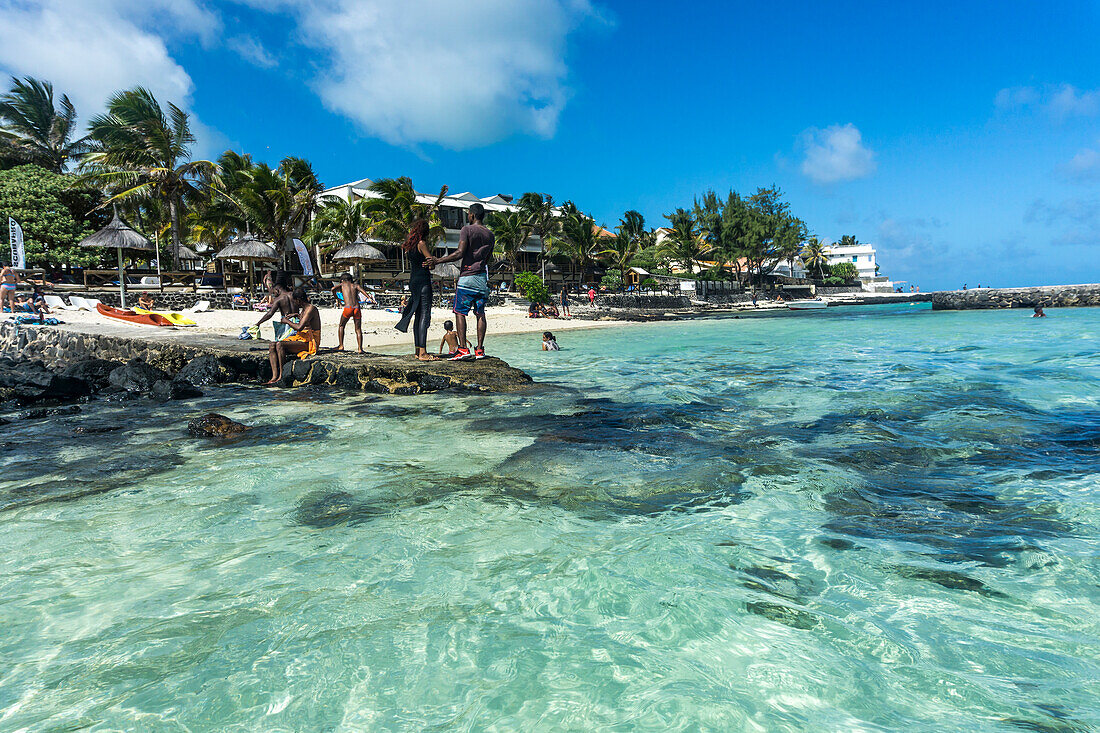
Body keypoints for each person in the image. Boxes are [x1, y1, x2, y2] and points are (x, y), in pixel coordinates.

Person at [425, 203, 493, 360]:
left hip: (467, 277)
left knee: (460, 312)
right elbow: (487, 259)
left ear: (472, 215)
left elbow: (460, 253)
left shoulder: (467, 230)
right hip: (482, 278)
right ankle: (480, 350)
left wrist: (439, 260)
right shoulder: (490, 234)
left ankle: (463, 349)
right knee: (480, 314)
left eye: (468, 214)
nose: (468, 216)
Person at [394, 219, 436, 361]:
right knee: (424, 315)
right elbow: (431, 263)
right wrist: (432, 262)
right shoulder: (421, 244)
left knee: (417, 316)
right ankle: (423, 353)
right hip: (423, 281)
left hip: (413, 280)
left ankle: (418, 350)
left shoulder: (410, 247)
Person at [265, 288, 320, 385]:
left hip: (310, 342)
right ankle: (274, 376)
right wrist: (296, 315)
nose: (294, 303)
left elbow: (299, 327)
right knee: (272, 345)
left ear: (298, 300)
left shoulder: (311, 309)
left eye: (294, 301)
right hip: (302, 338)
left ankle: (282, 375)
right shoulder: (304, 309)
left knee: (280, 345)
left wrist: (286, 321)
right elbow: (305, 320)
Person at [332, 273, 372, 353]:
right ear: (351, 279)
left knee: (341, 325)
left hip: (348, 308)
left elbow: (333, 289)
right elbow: (363, 291)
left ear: (342, 280)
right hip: (357, 308)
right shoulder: (355, 285)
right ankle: (360, 349)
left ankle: (341, 345)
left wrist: (336, 297)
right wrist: (369, 298)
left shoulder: (342, 285)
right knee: (358, 329)